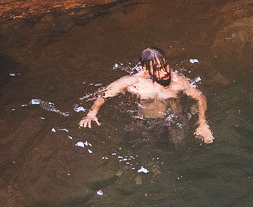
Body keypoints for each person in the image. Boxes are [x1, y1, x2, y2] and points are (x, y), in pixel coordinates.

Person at [80, 46, 214, 143]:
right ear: (145, 69)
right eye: (158, 69)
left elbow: (200, 97)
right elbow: (104, 94)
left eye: (165, 65)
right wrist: (92, 113)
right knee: (150, 145)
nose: (165, 72)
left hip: (176, 120)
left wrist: (202, 122)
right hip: (148, 122)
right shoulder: (133, 82)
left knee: (181, 144)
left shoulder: (177, 81)